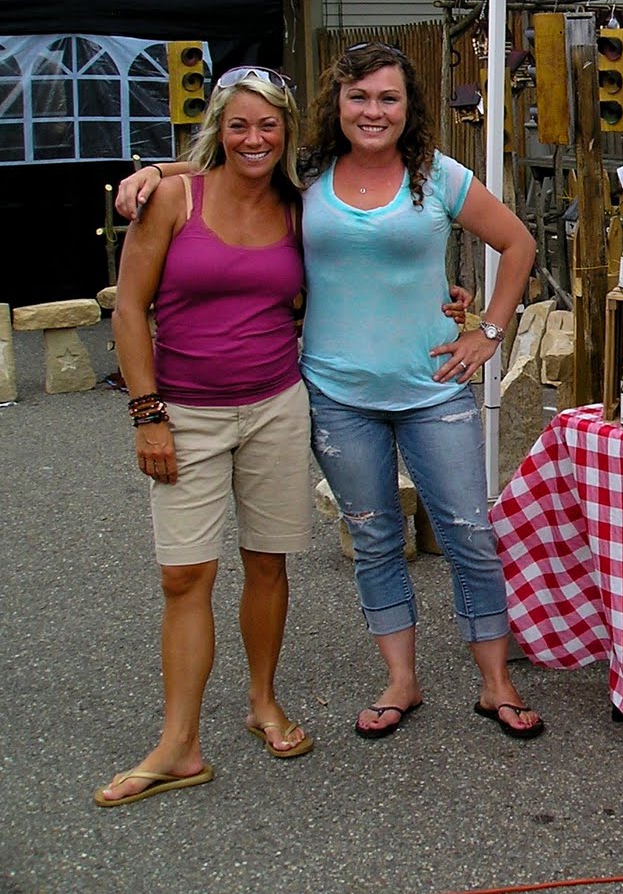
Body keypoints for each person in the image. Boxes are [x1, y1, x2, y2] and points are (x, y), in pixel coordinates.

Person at [119, 42, 543, 742]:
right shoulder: (306, 172)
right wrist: (155, 172)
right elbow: (228, 163)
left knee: (470, 532)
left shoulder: (436, 175)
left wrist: (486, 330)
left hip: (432, 386)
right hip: (336, 391)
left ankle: (495, 680)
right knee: (375, 536)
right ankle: (400, 679)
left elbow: (519, 242)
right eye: (358, 97)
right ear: (335, 105)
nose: (372, 111)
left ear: (409, 110)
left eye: (387, 99)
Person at [97, 67, 313, 808]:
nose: (253, 138)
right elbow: (129, 308)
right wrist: (146, 411)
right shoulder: (173, 198)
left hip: (276, 404)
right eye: (239, 124)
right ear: (218, 128)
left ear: (286, 131)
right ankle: (178, 742)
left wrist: (452, 306)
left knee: (267, 562)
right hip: (183, 409)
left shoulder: (295, 205)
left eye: (268, 125)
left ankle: (261, 701)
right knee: (184, 575)